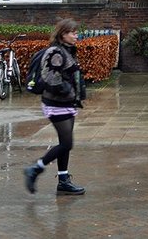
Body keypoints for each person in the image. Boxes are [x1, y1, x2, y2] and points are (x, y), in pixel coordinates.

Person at [24, 18, 87, 195]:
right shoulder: (56, 52)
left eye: (76, 32)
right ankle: (35, 169)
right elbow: (51, 78)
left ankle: (63, 181)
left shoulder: (66, 50)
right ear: (63, 34)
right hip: (57, 104)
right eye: (73, 32)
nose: (76, 35)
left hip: (66, 104)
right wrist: (68, 91)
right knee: (67, 144)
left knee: (64, 143)